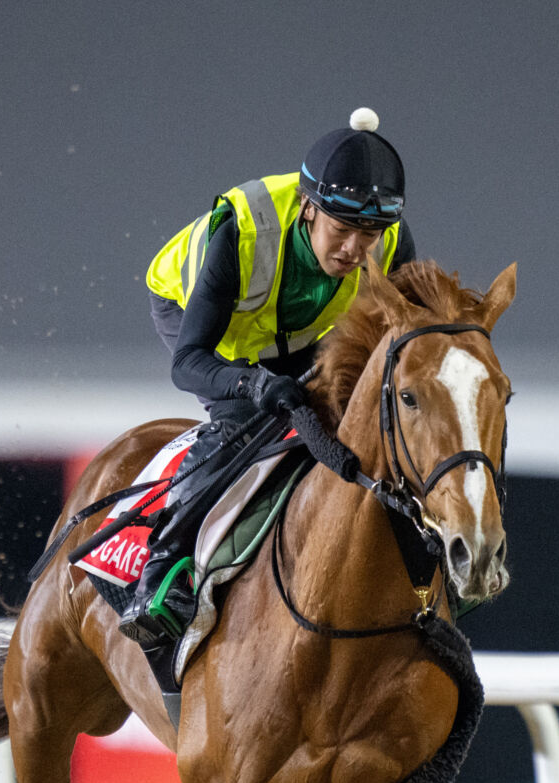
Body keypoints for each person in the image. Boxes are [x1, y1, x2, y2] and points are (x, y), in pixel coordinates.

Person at [117, 107, 417, 647]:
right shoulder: (242, 232)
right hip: (204, 328)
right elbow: (188, 364)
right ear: (307, 208)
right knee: (245, 425)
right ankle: (162, 576)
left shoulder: (393, 246)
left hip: (297, 332)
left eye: (371, 234)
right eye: (342, 229)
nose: (355, 250)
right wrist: (254, 385)